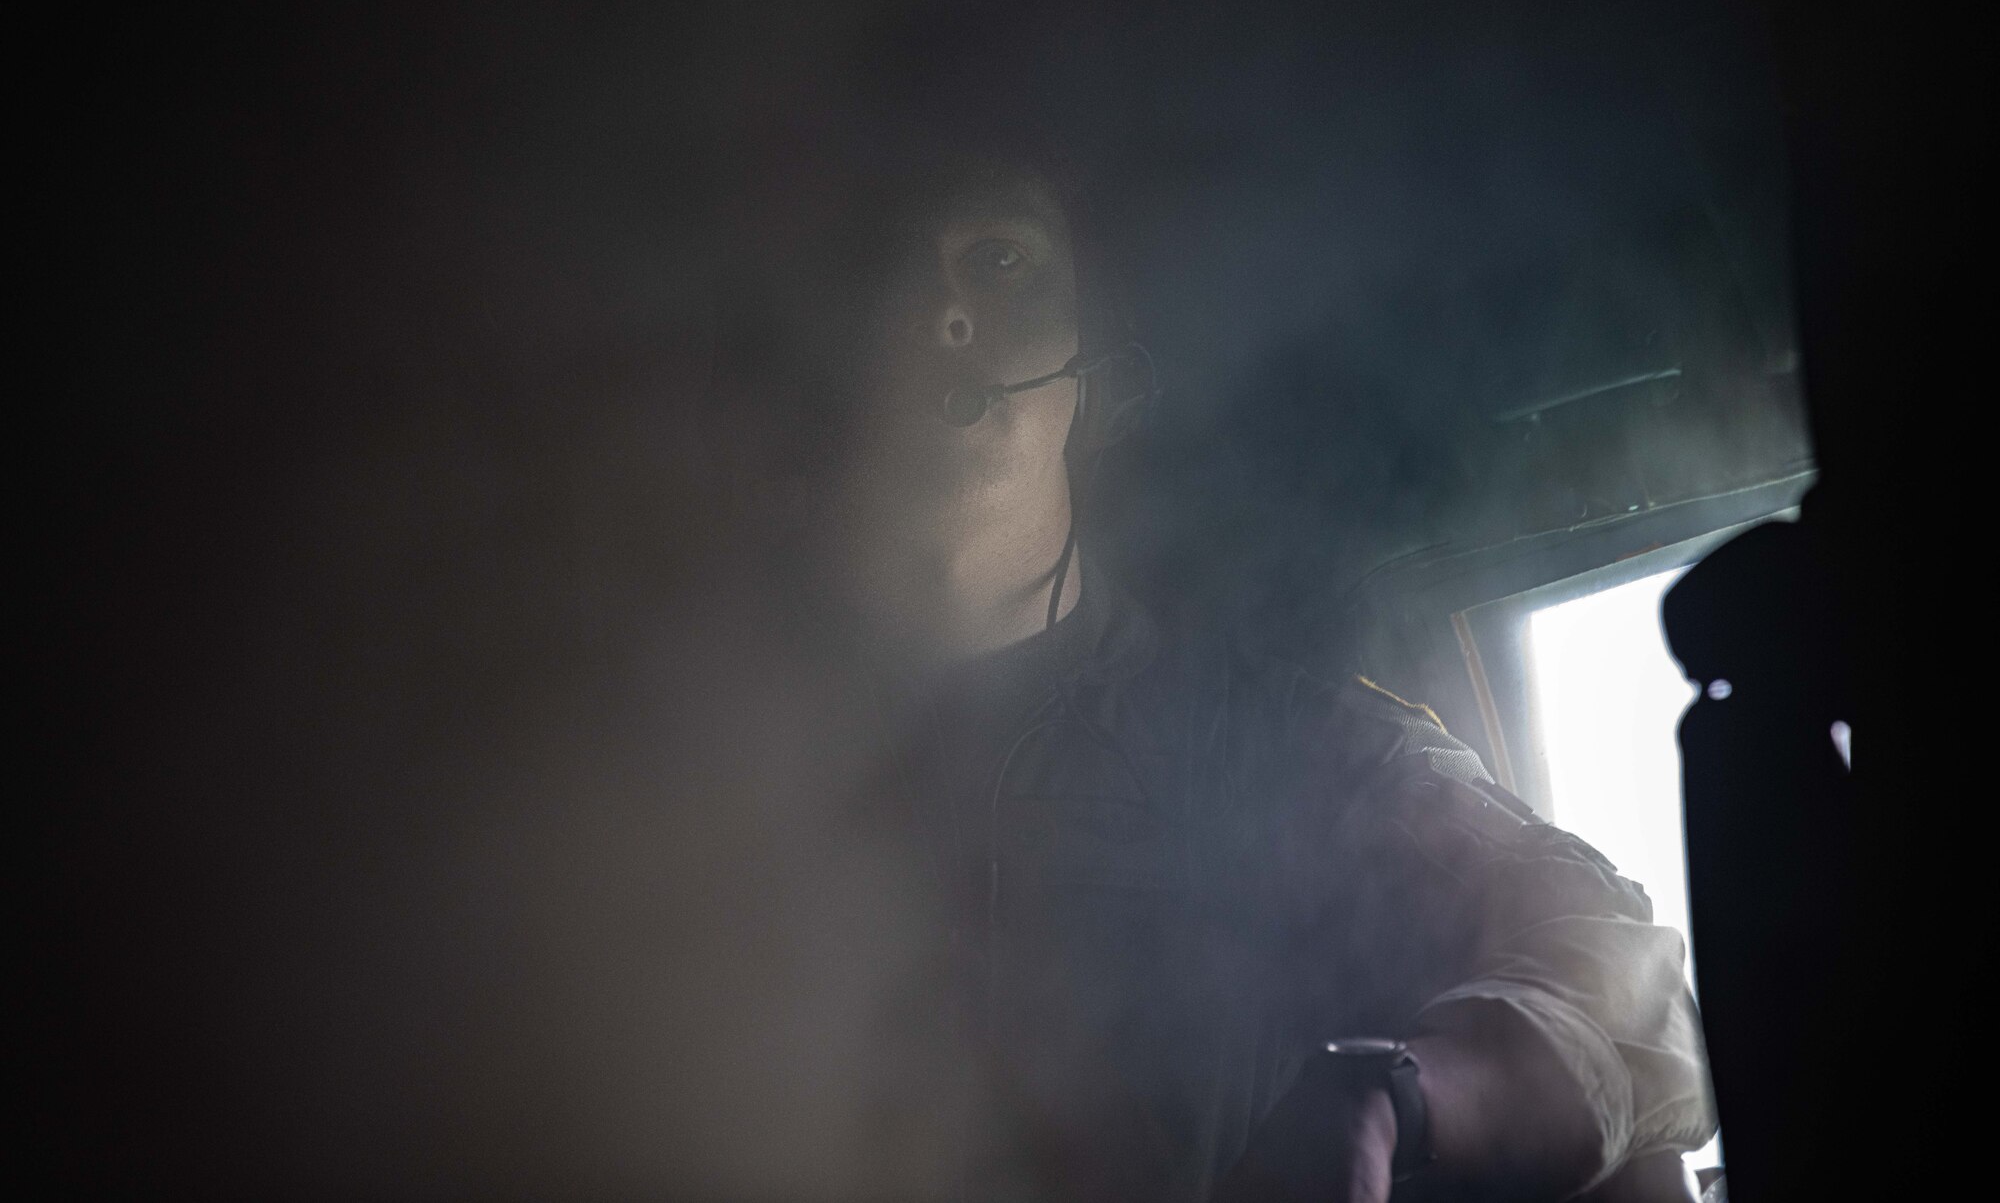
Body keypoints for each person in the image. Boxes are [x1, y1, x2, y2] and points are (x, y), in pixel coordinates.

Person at [733, 139, 1717, 1203]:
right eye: (884, 268)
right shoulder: (686, 763)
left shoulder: (1259, 739)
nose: (939, 311)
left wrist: (1388, 1096)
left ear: (1093, 371)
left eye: (1000, 261)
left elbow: (1624, 982)